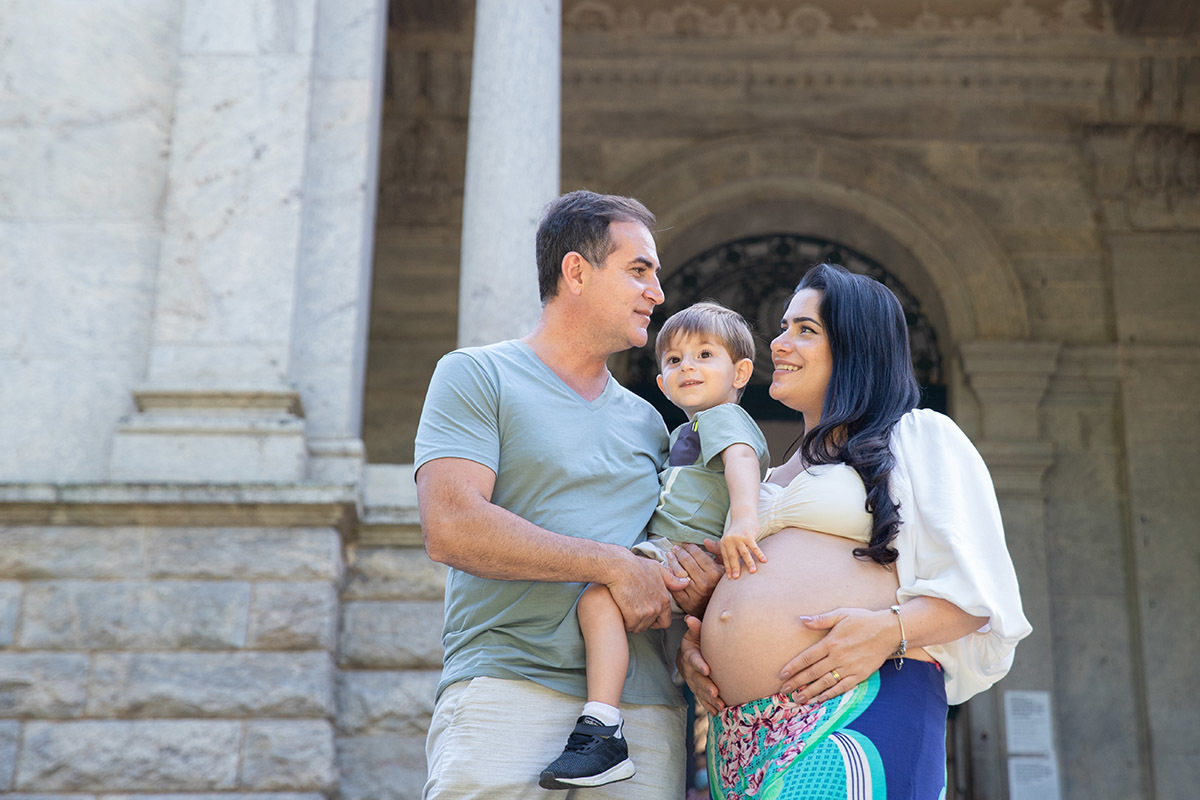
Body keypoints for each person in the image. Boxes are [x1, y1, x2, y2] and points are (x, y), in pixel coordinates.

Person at [677, 263, 1032, 799]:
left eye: (805, 330)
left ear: (855, 347)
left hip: (857, 710)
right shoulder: (766, 477)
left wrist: (889, 629)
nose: (781, 343)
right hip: (739, 739)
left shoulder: (917, 436)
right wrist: (703, 640)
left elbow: (981, 596)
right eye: (783, 327)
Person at [414, 190, 722, 800]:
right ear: (576, 271)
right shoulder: (476, 375)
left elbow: (670, 551)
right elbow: (451, 525)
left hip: (643, 714)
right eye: (639, 271)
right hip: (507, 691)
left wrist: (699, 581)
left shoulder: (652, 425)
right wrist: (609, 565)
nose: (658, 293)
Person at [540, 301, 770, 790]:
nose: (688, 366)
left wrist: (744, 520)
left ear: (741, 371)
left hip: (681, 552)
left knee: (599, 598)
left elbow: (742, 462)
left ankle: (602, 727)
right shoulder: (683, 432)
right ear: (662, 382)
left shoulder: (723, 418)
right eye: (674, 360)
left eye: (705, 354)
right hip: (677, 556)